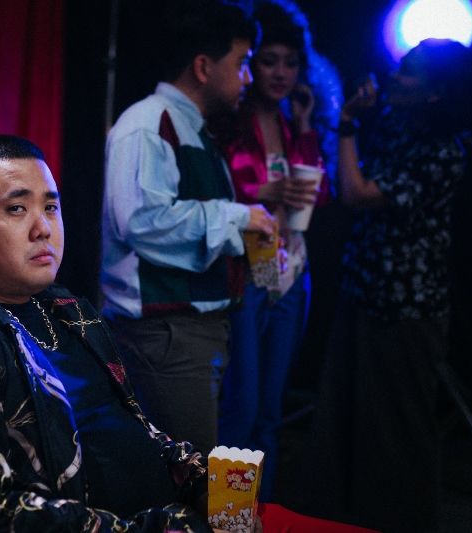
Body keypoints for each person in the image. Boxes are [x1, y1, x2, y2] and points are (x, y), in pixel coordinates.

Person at [0, 135, 215, 532]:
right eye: (17, 208)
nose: (43, 229)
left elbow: (138, 433)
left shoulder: (69, 309)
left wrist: (202, 483)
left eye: (50, 207)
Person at [299, 39, 472, 532]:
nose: (394, 76)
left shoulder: (443, 152)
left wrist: (346, 123)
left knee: (397, 430)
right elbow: (351, 178)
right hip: (363, 291)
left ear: (434, 91)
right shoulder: (400, 125)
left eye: (407, 71)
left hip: (406, 311)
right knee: (348, 421)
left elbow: (358, 193)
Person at [100, 0, 276, 454]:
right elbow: (142, 222)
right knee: (191, 475)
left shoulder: (193, 128)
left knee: (214, 464)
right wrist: (239, 217)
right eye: (241, 63)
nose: (247, 78)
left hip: (195, 329)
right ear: (203, 66)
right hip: (166, 334)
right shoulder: (148, 123)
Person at [212, 0, 332, 502]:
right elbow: (220, 195)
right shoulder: (229, 122)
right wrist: (262, 192)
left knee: (270, 410)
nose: (281, 73)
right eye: (269, 61)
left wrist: (304, 128)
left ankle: (258, 516)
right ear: (251, 65)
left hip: (290, 271)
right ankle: (229, 518)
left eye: (290, 63)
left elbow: (316, 197)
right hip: (246, 269)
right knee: (241, 406)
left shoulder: (291, 124)